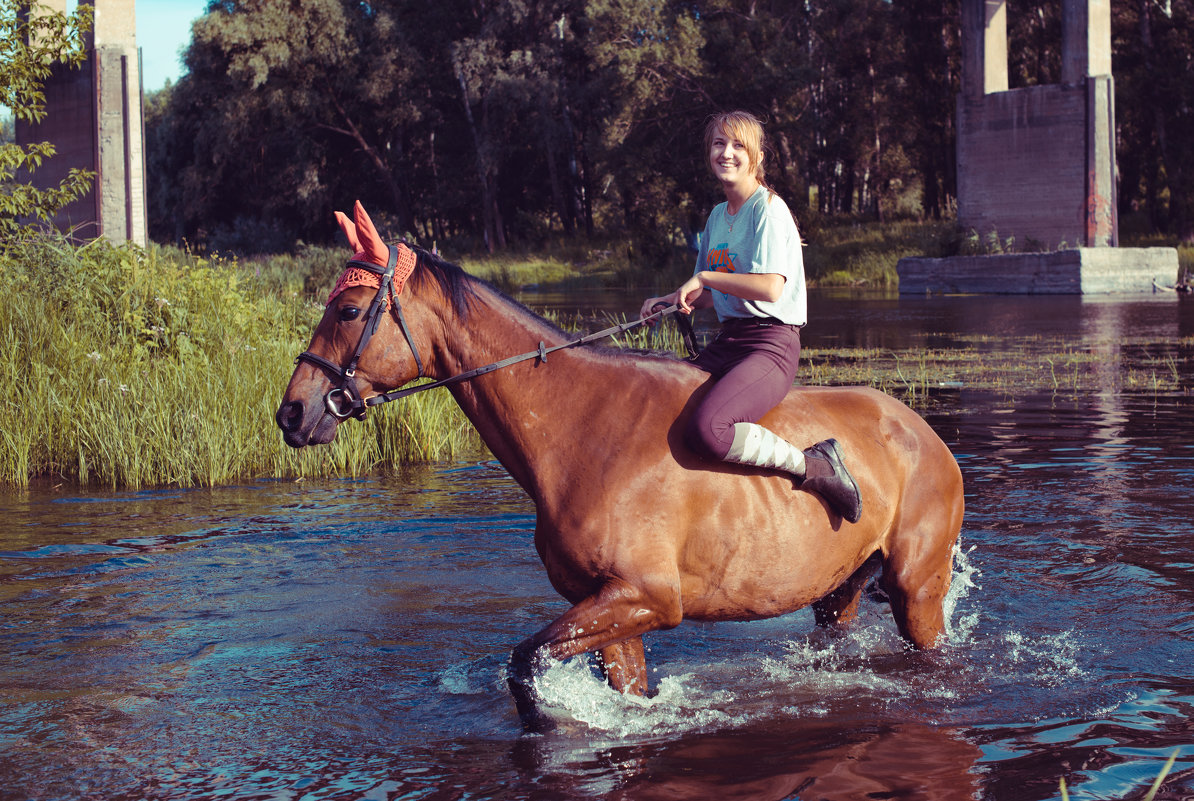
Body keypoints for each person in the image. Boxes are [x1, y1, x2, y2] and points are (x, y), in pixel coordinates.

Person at [640, 111, 862, 523]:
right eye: (719, 144)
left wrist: (705, 276)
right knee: (664, 404)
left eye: (738, 145)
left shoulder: (769, 210)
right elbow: (712, 295)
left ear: (757, 155)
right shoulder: (716, 217)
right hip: (731, 341)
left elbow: (769, 288)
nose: (727, 153)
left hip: (771, 345)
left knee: (710, 428)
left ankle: (816, 466)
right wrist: (672, 300)